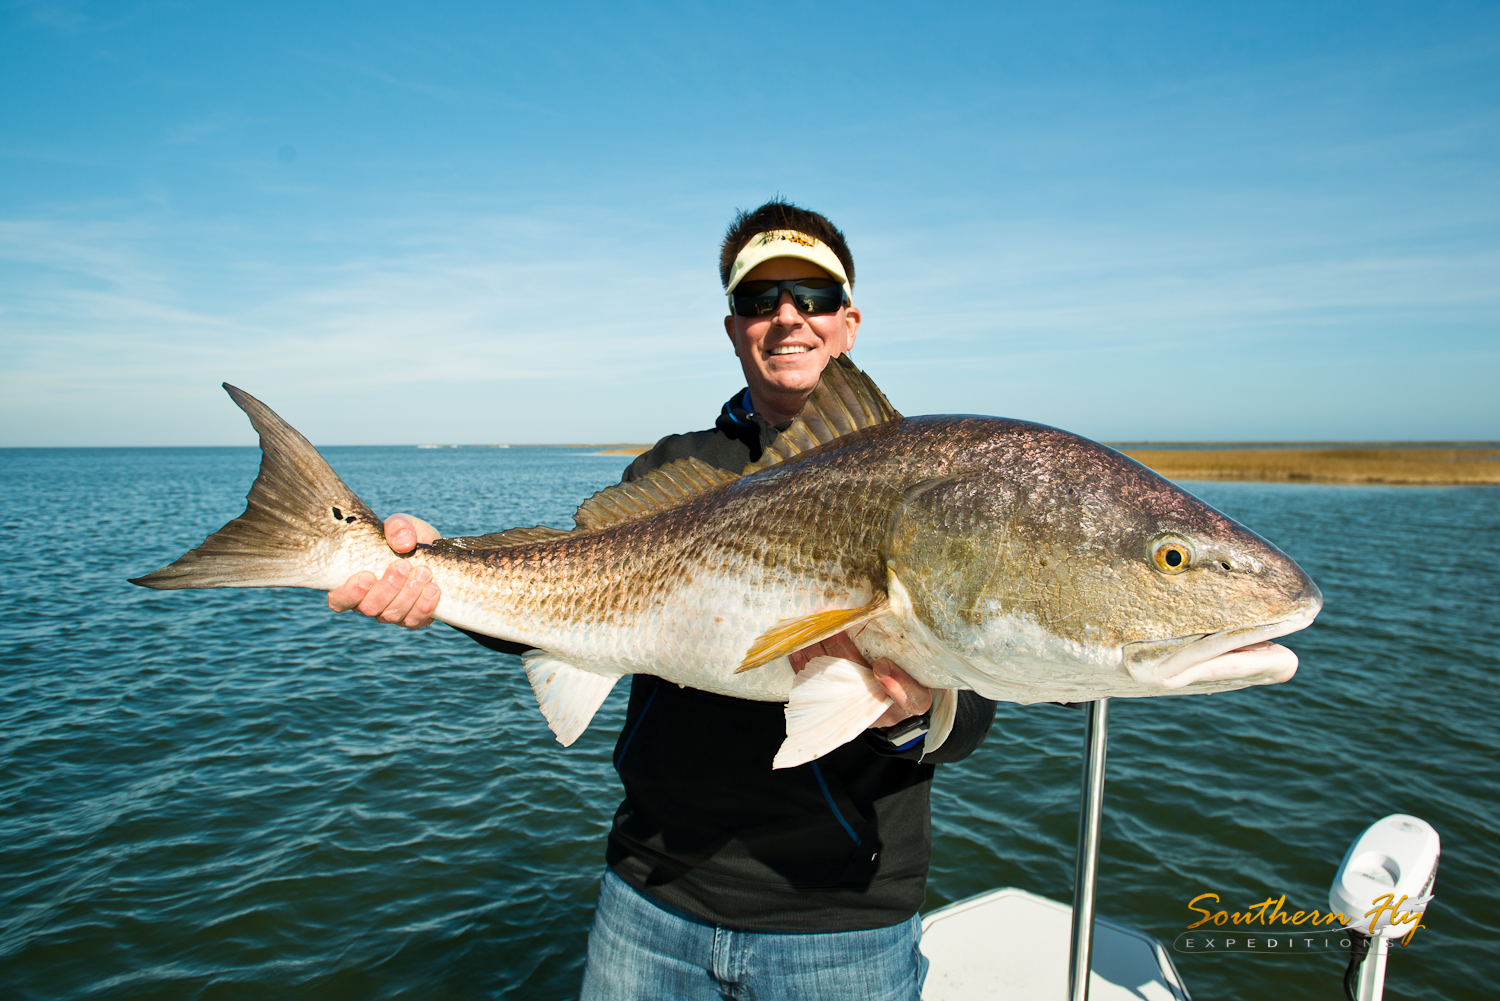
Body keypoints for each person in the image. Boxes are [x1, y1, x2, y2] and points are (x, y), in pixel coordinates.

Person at [326, 199, 997, 1000]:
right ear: (732, 327)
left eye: (813, 297)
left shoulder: (921, 477)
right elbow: (575, 602)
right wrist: (441, 574)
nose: (789, 318)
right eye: (760, 299)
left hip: (841, 927)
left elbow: (979, 693)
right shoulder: (669, 469)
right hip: (651, 900)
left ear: (849, 322)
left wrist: (914, 715)